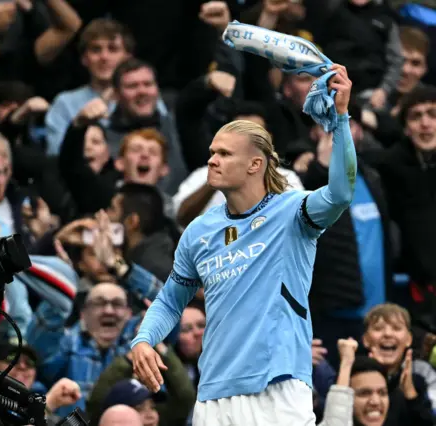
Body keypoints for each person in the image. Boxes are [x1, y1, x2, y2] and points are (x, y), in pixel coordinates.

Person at [130, 64, 357, 425]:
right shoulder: (199, 231)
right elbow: (172, 299)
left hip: (278, 388)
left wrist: (340, 119)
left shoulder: (293, 212)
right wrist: (143, 339)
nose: (211, 160)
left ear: (255, 164)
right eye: (211, 151)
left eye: (224, 153)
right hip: (213, 395)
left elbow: (341, 193)